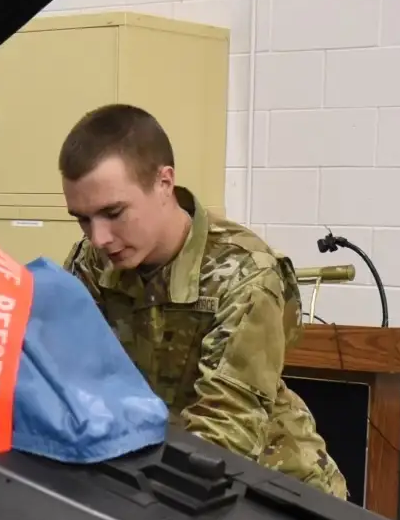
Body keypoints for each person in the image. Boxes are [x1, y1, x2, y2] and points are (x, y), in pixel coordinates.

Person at [55, 103, 347, 498]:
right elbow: (59, 381)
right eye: (83, 219)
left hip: (275, 492)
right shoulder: (91, 264)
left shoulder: (246, 273)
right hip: (160, 480)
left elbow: (226, 431)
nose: (99, 237)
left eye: (113, 212)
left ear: (164, 183)